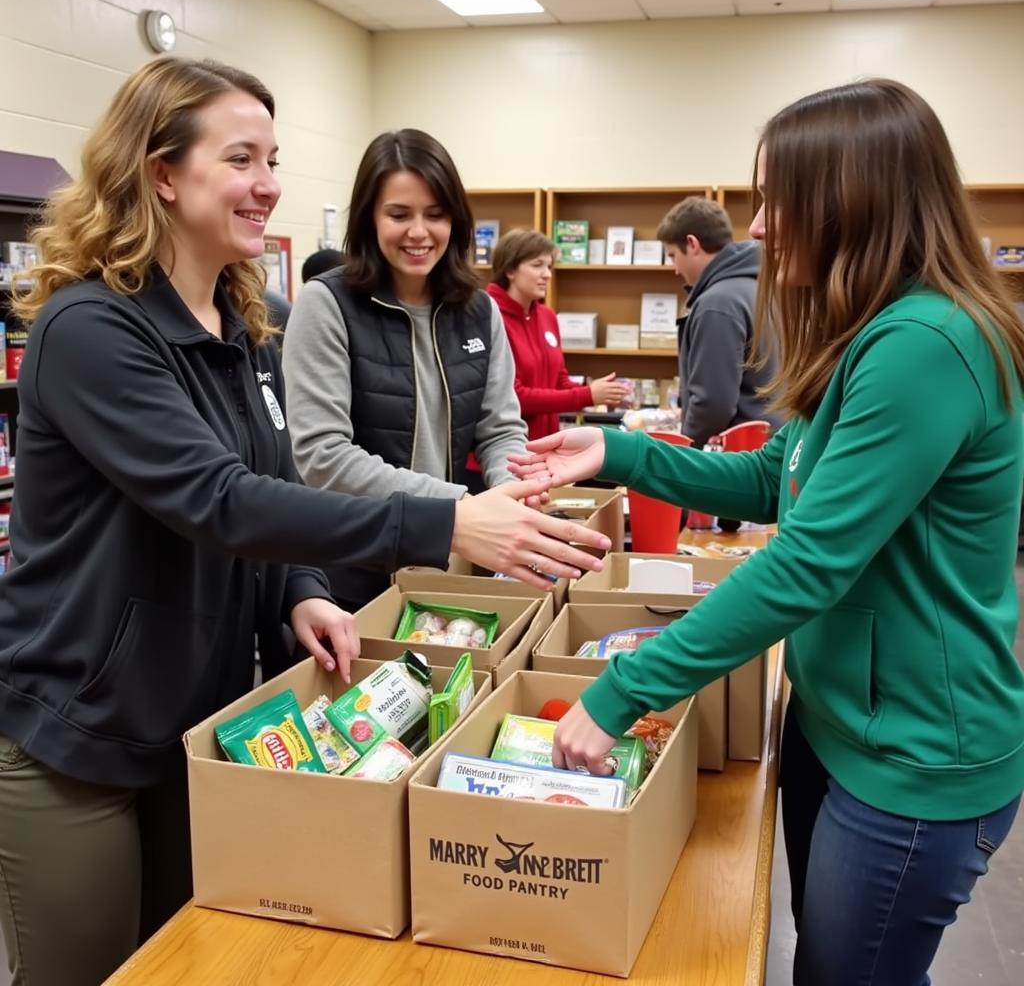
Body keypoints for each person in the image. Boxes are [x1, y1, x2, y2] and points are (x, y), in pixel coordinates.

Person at [0, 58, 609, 986]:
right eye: (241, 158)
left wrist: (303, 594)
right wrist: (440, 529)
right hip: (71, 728)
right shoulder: (93, 330)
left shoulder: (241, 325)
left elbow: (272, 479)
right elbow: (219, 499)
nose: (269, 184)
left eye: (273, 158)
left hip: (194, 717)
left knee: (186, 960)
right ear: (162, 173)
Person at [510, 78, 1024, 986]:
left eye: (774, 198)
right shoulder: (868, 330)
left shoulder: (926, 345)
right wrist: (622, 452)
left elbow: (806, 565)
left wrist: (623, 689)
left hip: (914, 756)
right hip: (840, 724)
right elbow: (768, 480)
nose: (757, 225)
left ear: (849, 197)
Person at [283, 128, 529, 610]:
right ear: (369, 218)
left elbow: (500, 428)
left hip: (445, 559)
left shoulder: (478, 309)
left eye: (435, 215)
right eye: (399, 214)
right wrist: (461, 506)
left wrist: (511, 493)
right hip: (350, 569)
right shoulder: (327, 304)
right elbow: (322, 455)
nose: (419, 232)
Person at [658, 196, 780, 447]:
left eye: (672, 256)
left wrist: (684, 450)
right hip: (771, 446)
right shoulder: (760, 288)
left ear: (692, 244)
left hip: (737, 455)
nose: (675, 269)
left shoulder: (717, 303)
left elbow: (712, 403)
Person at [486, 229, 628, 440]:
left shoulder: (547, 316)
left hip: (544, 446)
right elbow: (513, 397)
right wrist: (587, 395)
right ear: (510, 270)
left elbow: (559, 380)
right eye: (537, 265)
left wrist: (600, 392)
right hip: (504, 450)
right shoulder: (488, 317)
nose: (548, 274)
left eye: (549, 266)